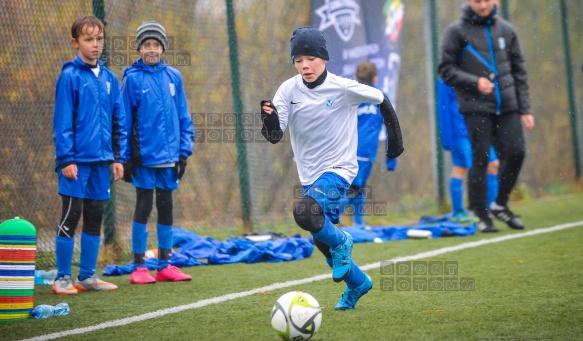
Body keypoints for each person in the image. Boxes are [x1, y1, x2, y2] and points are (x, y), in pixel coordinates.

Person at [260, 27, 403, 310]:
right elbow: (275, 135)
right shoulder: (288, 90)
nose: (305, 65)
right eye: (299, 60)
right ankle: (358, 283)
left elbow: (382, 99)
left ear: (324, 58)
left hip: (340, 169)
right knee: (320, 241)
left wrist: (395, 142)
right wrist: (269, 120)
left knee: (304, 213)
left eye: (311, 58)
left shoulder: (342, 87)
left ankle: (343, 242)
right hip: (310, 176)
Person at [439, 0, 535, 233]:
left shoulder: (507, 30)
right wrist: (474, 82)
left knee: (516, 152)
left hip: (509, 107)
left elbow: (519, 71)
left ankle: (499, 204)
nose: (482, 5)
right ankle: (482, 215)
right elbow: (445, 69)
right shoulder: (456, 31)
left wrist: (525, 109)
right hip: (476, 107)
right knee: (480, 160)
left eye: (486, 0)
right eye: (477, 1)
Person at [52, 15, 127, 295]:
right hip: (76, 162)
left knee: (95, 216)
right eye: (88, 39)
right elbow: (62, 123)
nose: (95, 45)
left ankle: (87, 276)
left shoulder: (109, 78)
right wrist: (67, 159)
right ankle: (61, 278)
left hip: (101, 162)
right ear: (75, 43)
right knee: (71, 215)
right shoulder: (70, 76)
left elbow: (118, 120)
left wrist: (118, 158)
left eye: (99, 39)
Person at [121, 20, 195, 284]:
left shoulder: (174, 77)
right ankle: (139, 267)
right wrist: (125, 157)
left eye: (156, 45)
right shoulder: (131, 78)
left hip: (169, 159)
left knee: (166, 208)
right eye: (146, 45)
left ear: (162, 48)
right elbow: (123, 120)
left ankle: (165, 264)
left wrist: (183, 152)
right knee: (143, 207)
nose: (151, 50)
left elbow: (184, 117)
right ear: (140, 48)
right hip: (143, 159)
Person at [437, 78, 499, 223]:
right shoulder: (445, 78)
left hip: (477, 126)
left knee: (493, 164)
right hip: (460, 132)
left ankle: (490, 209)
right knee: (462, 167)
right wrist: (447, 138)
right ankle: (459, 212)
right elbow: (443, 108)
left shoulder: (473, 72)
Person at [345, 61, 398, 229]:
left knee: (356, 187)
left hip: (345, 149)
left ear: (355, 77)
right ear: (375, 78)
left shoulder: (349, 96)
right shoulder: (379, 97)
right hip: (364, 152)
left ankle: (358, 222)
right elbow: (392, 128)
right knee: (353, 188)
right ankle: (323, 222)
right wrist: (391, 159)